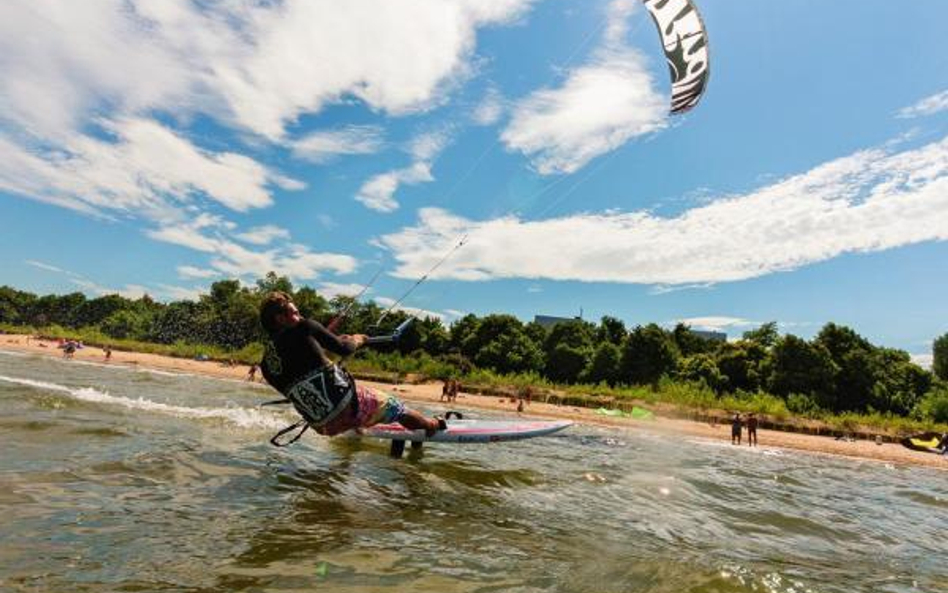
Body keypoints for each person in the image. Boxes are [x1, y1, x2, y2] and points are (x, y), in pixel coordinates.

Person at [258, 291, 445, 443]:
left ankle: (358, 428)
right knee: (393, 406)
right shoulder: (304, 327)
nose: (301, 316)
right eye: (295, 313)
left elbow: (305, 372)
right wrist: (357, 339)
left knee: (351, 395)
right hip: (346, 409)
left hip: (323, 426)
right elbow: (344, 349)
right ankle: (431, 425)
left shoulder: (266, 365)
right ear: (280, 319)